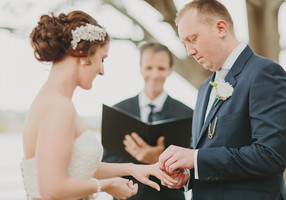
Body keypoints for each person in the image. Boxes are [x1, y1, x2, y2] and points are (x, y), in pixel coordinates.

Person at [20, 11, 177, 200]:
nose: (102, 70)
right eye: (102, 59)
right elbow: (52, 188)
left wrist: (133, 169)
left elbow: (77, 167)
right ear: (82, 53)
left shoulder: (54, 100)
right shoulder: (58, 107)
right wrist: (108, 184)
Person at [158, 1, 286, 200]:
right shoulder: (205, 89)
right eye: (185, 44)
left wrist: (195, 159)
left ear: (221, 28)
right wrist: (188, 175)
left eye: (193, 39)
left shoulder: (264, 73)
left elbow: (270, 156)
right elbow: (206, 152)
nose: (190, 51)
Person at [102, 42, 193, 200]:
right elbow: (107, 161)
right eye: (149, 68)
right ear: (140, 68)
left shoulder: (188, 114)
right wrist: (139, 159)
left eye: (161, 68)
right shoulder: (117, 111)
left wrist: (159, 158)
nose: (155, 75)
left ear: (170, 70)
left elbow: (192, 164)